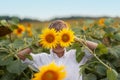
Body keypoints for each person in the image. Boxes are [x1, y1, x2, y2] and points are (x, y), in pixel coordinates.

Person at [17, 20, 98, 80]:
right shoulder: (42, 58)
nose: (58, 43)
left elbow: (96, 47)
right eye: (54, 39)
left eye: (61, 39)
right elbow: (20, 55)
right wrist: (38, 44)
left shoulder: (76, 55)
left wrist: (76, 39)